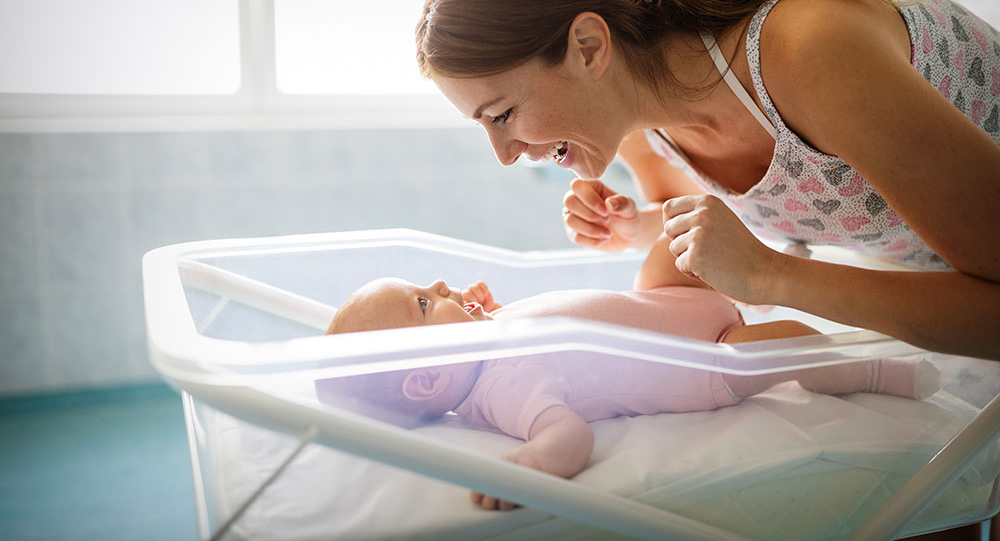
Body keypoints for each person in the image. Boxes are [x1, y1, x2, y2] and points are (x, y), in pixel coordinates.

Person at [413, 0, 1000, 361]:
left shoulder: (810, 53)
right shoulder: (640, 115)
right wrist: (641, 229)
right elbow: (711, 251)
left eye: (503, 115)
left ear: (589, 47)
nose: (505, 154)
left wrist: (774, 277)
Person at [323, 235, 940, 511]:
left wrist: (485, 308)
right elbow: (569, 436)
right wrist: (532, 467)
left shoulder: (486, 340)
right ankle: (873, 370)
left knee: (676, 232)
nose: (436, 285)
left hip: (666, 299)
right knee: (782, 348)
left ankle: (770, 255)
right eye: (423, 304)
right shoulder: (504, 393)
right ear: (427, 382)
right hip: (707, 355)